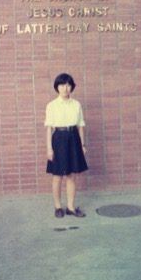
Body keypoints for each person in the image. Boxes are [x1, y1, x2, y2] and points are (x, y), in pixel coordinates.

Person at [44, 73, 89, 218]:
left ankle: (70, 207)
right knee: (58, 175)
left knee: (71, 175)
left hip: (74, 138)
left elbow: (81, 125)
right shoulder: (51, 105)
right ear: (57, 87)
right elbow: (49, 128)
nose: (65, 88)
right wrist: (49, 149)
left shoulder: (76, 105)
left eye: (68, 85)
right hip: (59, 139)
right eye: (62, 85)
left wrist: (82, 145)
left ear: (72, 87)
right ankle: (58, 206)